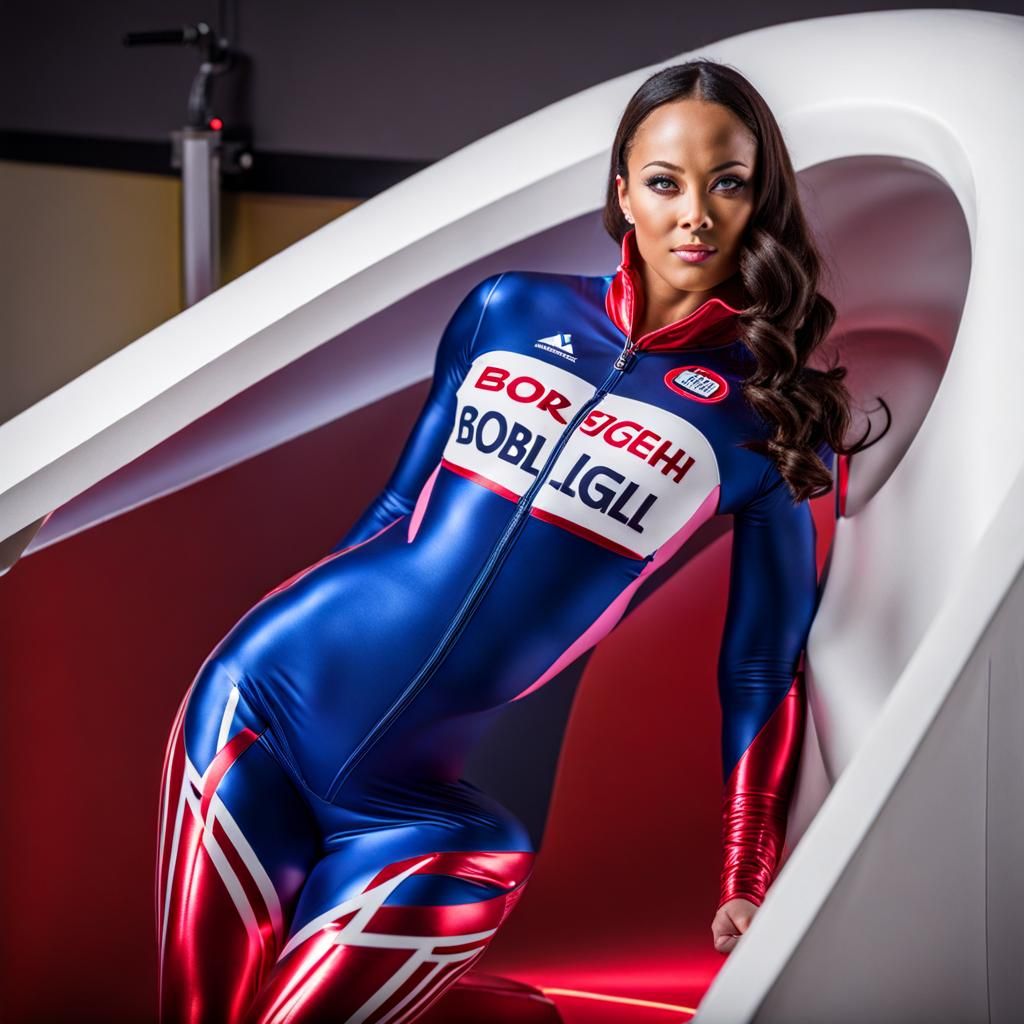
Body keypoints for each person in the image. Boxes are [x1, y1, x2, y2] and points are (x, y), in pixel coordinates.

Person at [155, 58, 881, 1022]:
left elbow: (761, 664)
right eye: (665, 182)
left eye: (729, 182)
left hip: (421, 820)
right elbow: (390, 517)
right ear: (624, 191)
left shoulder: (767, 415)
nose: (694, 214)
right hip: (259, 704)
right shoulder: (511, 307)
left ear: (762, 199)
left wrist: (746, 869)